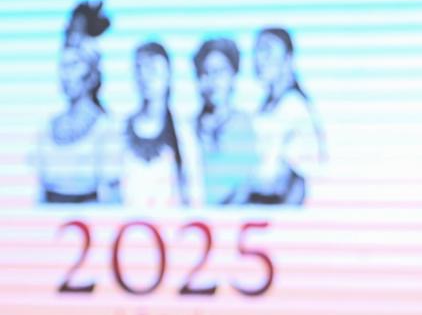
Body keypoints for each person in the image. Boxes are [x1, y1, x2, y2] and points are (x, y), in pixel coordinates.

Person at [34, 0, 122, 203]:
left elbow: (113, 197)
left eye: (74, 65)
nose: (66, 75)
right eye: (63, 66)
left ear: (91, 71)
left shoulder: (105, 129)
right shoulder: (47, 127)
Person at [248, 27, 322, 205]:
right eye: (257, 51)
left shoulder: (294, 107)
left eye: (267, 50)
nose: (259, 59)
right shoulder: (267, 107)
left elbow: (300, 178)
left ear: (288, 59)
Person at [121, 41, 188, 207]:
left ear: (168, 74)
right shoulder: (120, 129)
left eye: (152, 69)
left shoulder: (183, 131)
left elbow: (192, 187)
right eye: (139, 68)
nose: (145, 77)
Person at [192, 37, 258, 205]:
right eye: (205, 72)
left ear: (233, 75)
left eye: (219, 72)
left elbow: (248, 183)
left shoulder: (246, 126)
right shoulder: (187, 128)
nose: (212, 81)